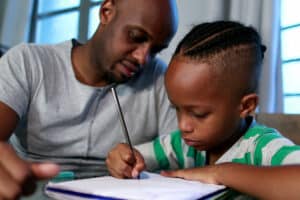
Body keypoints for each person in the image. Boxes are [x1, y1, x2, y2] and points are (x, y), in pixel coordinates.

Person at [0, 0, 178, 198]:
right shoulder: (28, 63)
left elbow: (181, 153)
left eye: (156, 50)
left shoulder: (160, 79)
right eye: (136, 37)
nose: (142, 58)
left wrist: (143, 157)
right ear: (106, 12)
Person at [106, 21, 300, 199]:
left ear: (245, 106)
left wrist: (220, 172)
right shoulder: (179, 145)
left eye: (199, 114)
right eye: (176, 109)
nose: (183, 126)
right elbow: (134, 157)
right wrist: (123, 158)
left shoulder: (263, 148)